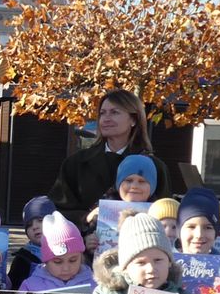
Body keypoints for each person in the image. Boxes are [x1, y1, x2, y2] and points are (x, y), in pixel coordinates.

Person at [48, 90, 171, 226]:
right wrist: (86, 219)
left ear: (133, 120)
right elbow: (56, 210)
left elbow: (166, 215)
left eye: (114, 112)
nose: (106, 118)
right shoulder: (76, 163)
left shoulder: (154, 166)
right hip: (84, 244)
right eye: (102, 113)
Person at [19, 211, 95, 292]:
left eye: (73, 260)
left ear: (81, 258)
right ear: (46, 261)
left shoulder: (95, 285)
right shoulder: (30, 287)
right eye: (57, 262)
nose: (66, 268)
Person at [7, 196, 55, 290]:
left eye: (40, 220)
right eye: (29, 225)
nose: (35, 227)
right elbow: (13, 289)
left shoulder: (68, 252)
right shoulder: (22, 259)